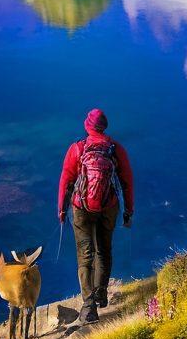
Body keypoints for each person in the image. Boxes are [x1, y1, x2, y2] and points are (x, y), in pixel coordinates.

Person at [57, 107, 134, 323]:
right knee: (104, 251)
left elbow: (66, 180)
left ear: (87, 125)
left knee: (85, 255)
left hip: (80, 207)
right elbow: (127, 182)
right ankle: (101, 294)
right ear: (105, 126)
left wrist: (62, 209)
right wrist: (129, 210)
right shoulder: (115, 149)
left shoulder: (78, 148)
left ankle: (89, 306)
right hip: (108, 206)